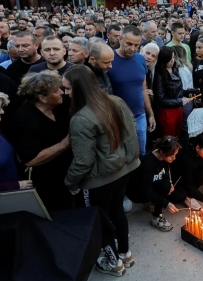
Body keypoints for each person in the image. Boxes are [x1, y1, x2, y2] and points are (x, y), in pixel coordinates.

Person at [62, 66, 140, 276]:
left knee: (100, 221)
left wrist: (70, 182)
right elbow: (131, 134)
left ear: (80, 88)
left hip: (99, 180)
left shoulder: (81, 119)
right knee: (117, 211)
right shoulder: (116, 101)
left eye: (68, 89)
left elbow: (83, 161)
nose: (65, 93)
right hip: (124, 170)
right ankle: (125, 253)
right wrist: (131, 161)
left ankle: (114, 264)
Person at [13, 71, 72, 212]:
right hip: (46, 182)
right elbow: (30, 160)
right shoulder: (25, 119)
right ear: (42, 97)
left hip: (66, 174)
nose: (61, 92)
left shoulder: (60, 107)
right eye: (56, 90)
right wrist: (65, 143)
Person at [108, 26, 153, 157]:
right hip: (117, 119)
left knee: (141, 153)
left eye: (136, 45)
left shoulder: (140, 59)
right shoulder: (109, 59)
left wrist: (150, 113)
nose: (132, 48)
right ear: (120, 39)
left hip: (139, 116)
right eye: (129, 44)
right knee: (120, 156)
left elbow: (143, 88)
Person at [127, 136, 186, 230]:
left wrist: (170, 183)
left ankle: (152, 203)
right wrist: (165, 203)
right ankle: (157, 216)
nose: (174, 158)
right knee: (164, 187)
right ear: (162, 152)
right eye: (172, 155)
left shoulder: (165, 158)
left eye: (175, 155)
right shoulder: (147, 163)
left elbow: (165, 173)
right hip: (137, 192)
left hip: (152, 185)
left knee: (174, 190)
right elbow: (146, 190)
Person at [154, 47, 193, 137]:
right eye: (170, 58)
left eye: (174, 57)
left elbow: (177, 90)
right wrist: (180, 101)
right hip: (167, 111)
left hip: (178, 108)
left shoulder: (175, 69)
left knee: (177, 136)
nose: (172, 61)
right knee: (169, 137)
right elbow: (160, 99)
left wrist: (187, 92)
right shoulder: (159, 74)